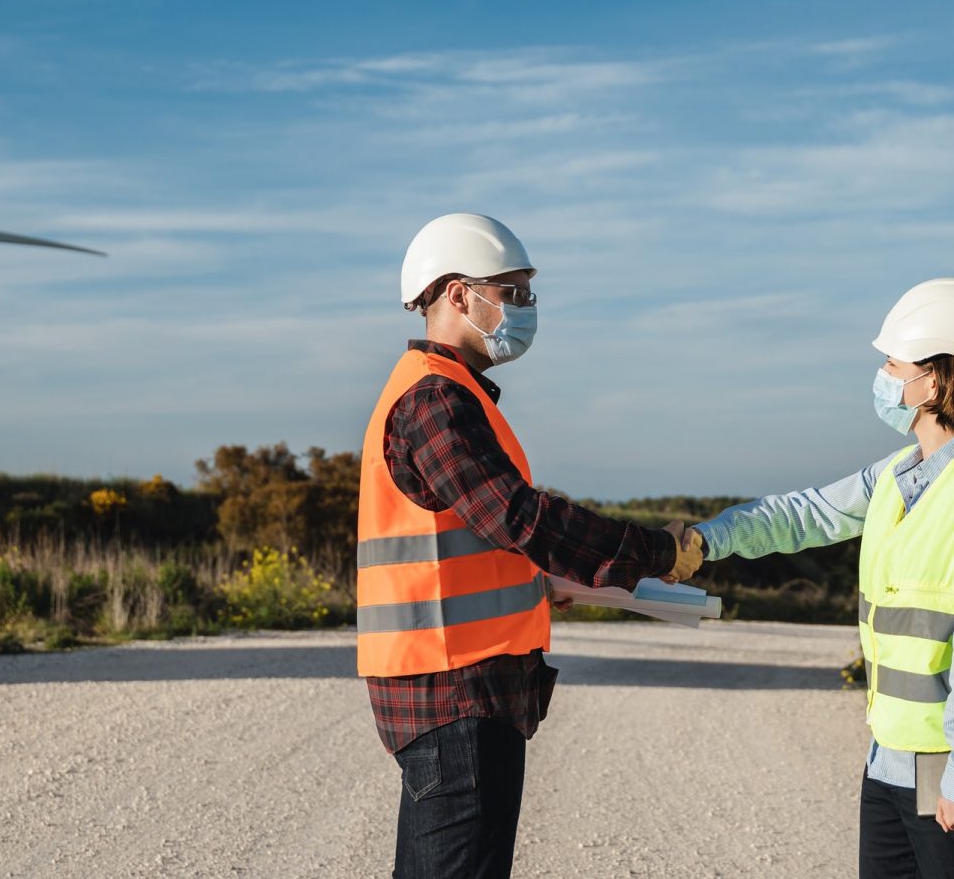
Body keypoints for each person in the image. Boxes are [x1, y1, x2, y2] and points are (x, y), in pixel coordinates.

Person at [357, 213, 704, 879]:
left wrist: (541, 584)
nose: (526, 309)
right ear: (458, 295)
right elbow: (521, 518)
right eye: (512, 292)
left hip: (453, 689)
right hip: (456, 696)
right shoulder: (435, 401)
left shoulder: (446, 394)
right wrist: (656, 552)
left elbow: (476, 538)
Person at [686, 278, 954, 879]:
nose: (882, 377)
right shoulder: (896, 475)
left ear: (933, 379)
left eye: (892, 363)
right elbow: (804, 513)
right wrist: (707, 540)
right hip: (889, 757)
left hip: (944, 768)